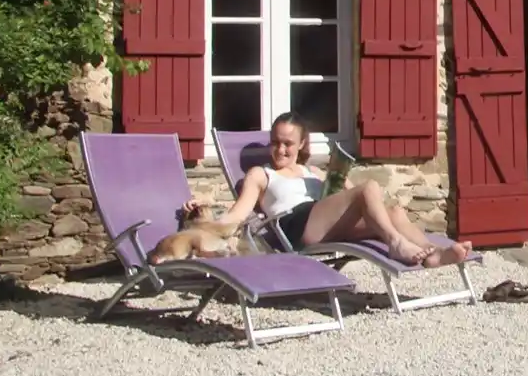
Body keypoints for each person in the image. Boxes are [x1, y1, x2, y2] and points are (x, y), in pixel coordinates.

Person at [190, 113, 472, 267]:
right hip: (294, 225)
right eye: (275, 142)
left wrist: (338, 181)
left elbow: (358, 199)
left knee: (394, 211)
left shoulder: (314, 172)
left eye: (288, 143)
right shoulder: (262, 174)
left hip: (326, 222)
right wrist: (203, 216)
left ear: (301, 144)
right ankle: (396, 244)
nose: (280, 149)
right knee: (369, 187)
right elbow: (237, 215)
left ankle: (433, 254)